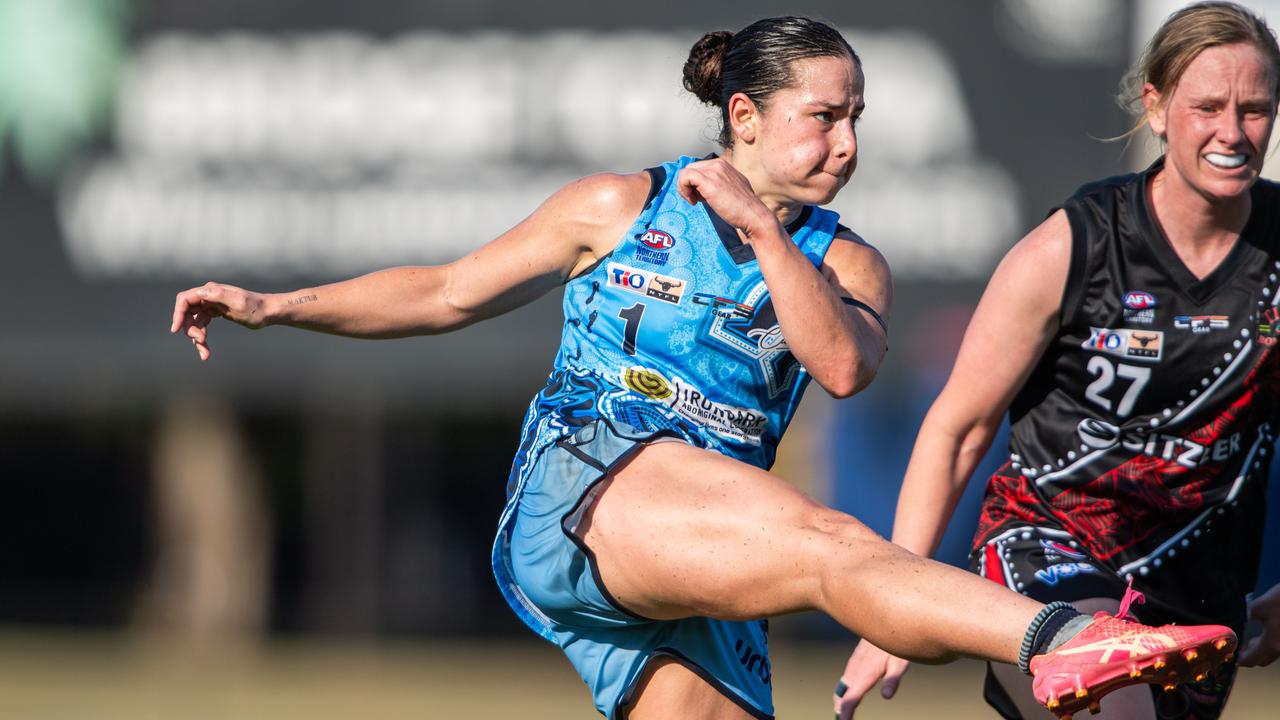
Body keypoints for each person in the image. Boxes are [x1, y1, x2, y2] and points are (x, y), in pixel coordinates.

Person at [171, 17, 1237, 720]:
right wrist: (278, 306)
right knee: (832, 545)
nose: (846, 142)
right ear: (743, 118)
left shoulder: (844, 257)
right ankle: (1068, 638)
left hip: (714, 554)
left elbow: (845, 367)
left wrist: (768, 238)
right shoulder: (616, 207)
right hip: (587, 486)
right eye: (822, 117)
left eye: (856, 118)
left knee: (819, 560)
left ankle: (1064, 642)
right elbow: (446, 292)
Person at [835, 3, 1280, 719]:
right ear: (1158, 107)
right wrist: (894, 602)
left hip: (1197, 590)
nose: (1232, 132)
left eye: (1255, 109)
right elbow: (959, 428)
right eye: (1207, 106)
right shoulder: (1075, 243)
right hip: (1050, 553)